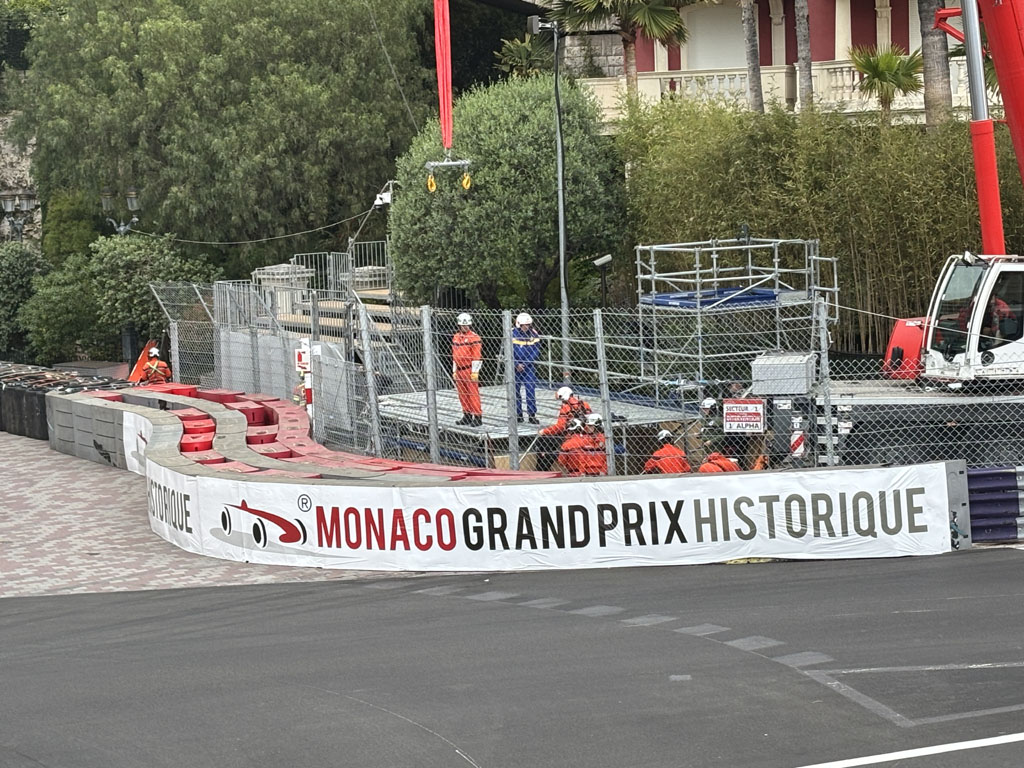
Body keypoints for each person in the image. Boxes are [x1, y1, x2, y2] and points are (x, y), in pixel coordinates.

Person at [534, 386, 592, 471]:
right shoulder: (585, 404)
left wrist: (545, 431)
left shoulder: (566, 407)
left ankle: (541, 469)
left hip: (569, 436)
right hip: (586, 435)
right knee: (549, 444)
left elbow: (560, 427)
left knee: (542, 441)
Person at [452, 312, 483, 426]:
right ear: (459, 325)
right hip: (459, 370)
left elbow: (476, 356)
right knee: (462, 394)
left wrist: (475, 372)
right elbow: (454, 355)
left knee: (473, 394)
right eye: (463, 325)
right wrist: (454, 370)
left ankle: (477, 416)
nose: (465, 327)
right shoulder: (456, 337)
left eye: (467, 325)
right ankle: (467, 414)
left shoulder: (474, 337)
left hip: (469, 369)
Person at [512, 312, 541, 424]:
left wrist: (525, 363)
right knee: (515, 391)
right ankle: (518, 414)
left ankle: (532, 415)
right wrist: (516, 364)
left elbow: (536, 351)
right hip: (514, 367)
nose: (527, 327)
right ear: (519, 324)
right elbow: (508, 350)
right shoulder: (512, 334)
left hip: (528, 367)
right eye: (525, 325)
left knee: (530, 390)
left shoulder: (534, 334)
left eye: (528, 324)